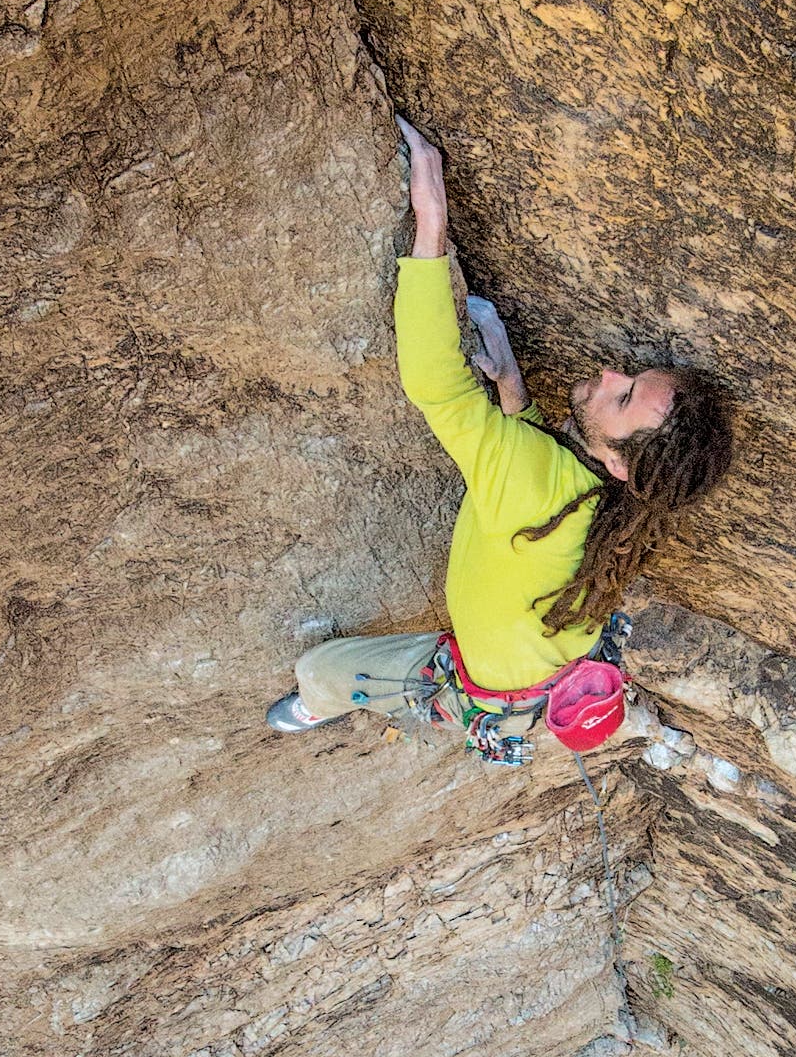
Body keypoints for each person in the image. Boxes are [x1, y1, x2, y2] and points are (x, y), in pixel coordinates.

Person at [268, 120, 733, 761]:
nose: (608, 375)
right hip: (541, 674)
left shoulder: (531, 479)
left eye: (622, 397)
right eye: (631, 377)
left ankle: (315, 704)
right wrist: (512, 383)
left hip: (489, 685)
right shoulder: (628, 505)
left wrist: (430, 225)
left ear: (619, 461)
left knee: (319, 670)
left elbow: (438, 386)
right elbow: (547, 464)